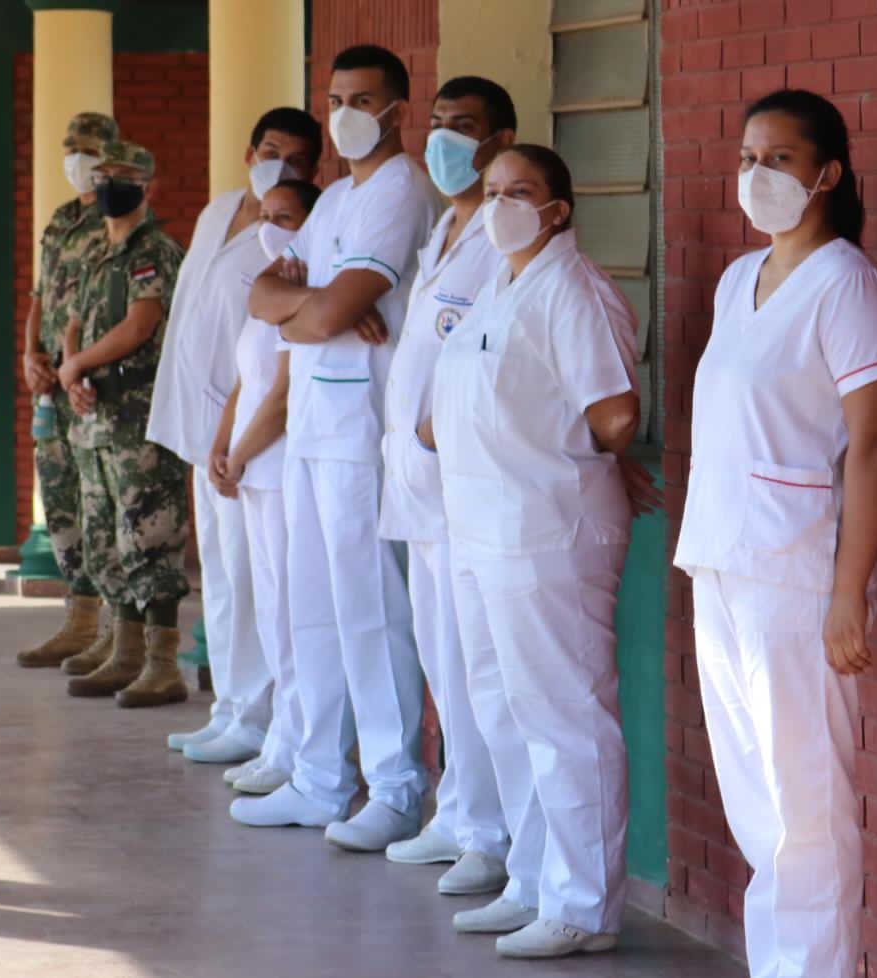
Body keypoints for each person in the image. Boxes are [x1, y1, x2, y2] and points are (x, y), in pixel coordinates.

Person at [672, 89, 877, 978]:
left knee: (805, 798)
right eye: (747, 158)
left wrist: (851, 591)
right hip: (725, 559)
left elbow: (873, 443)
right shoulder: (741, 279)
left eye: (779, 159)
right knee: (756, 798)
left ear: (827, 174)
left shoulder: (849, 285)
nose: (757, 175)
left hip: (799, 570)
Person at [427, 144, 639, 959]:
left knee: (566, 716)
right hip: (483, 529)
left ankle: (584, 905)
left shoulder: (571, 290)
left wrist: (558, 456)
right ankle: (533, 878)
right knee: (504, 711)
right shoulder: (500, 282)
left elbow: (616, 412)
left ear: (558, 210)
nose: (500, 203)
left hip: (547, 530)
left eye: (521, 191)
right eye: (491, 190)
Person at [232, 45, 440, 853]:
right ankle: (319, 777)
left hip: (363, 429)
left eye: (364, 97)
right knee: (311, 609)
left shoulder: (400, 190)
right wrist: (311, 303)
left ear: (398, 107)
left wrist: (311, 305)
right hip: (315, 424)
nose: (346, 110)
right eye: (335, 96)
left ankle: (394, 785)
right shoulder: (336, 199)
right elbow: (265, 296)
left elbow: (320, 313)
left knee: (371, 612)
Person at [376, 76, 516, 896]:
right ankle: (459, 810)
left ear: (501, 139)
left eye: (465, 128)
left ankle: (489, 833)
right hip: (420, 486)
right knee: (440, 655)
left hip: (467, 486)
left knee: (473, 664)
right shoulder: (443, 231)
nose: (444, 141)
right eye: (439, 124)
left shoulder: (501, 235)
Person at [148, 108, 322, 763]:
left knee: (252, 579)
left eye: (297, 159)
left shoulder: (298, 238)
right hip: (205, 426)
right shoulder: (219, 211)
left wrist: (235, 436)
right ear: (250, 151)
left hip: (249, 434)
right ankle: (228, 708)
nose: (280, 164)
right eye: (271, 150)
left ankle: (257, 717)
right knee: (218, 576)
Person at [56, 140, 190, 709]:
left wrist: (81, 364)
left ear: (148, 186)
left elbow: (139, 326)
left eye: (124, 175)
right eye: (104, 173)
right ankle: (124, 652)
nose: (110, 182)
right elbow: (76, 321)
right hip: (96, 419)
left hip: (139, 420)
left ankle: (162, 666)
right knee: (107, 539)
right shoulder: (96, 253)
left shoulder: (153, 251)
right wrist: (70, 369)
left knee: (148, 541)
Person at [207, 179, 319, 796]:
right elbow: (242, 385)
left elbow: (280, 394)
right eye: (267, 216)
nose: (274, 227)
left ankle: (297, 747)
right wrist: (220, 449)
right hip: (250, 473)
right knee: (270, 614)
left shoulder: (301, 299)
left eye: (288, 216)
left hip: (276, 473)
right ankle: (280, 739)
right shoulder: (268, 292)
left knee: (291, 615)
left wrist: (241, 457)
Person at [17, 111, 119, 670]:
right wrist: (30, 355)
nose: (75, 158)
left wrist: (73, 367)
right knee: (60, 504)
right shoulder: (59, 220)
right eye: (68, 146)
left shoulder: (116, 219)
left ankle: (113, 631)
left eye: (86, 147)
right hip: (52, 388)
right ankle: (77, 621)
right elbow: (40, 297)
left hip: (93, 388)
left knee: (101, 506)